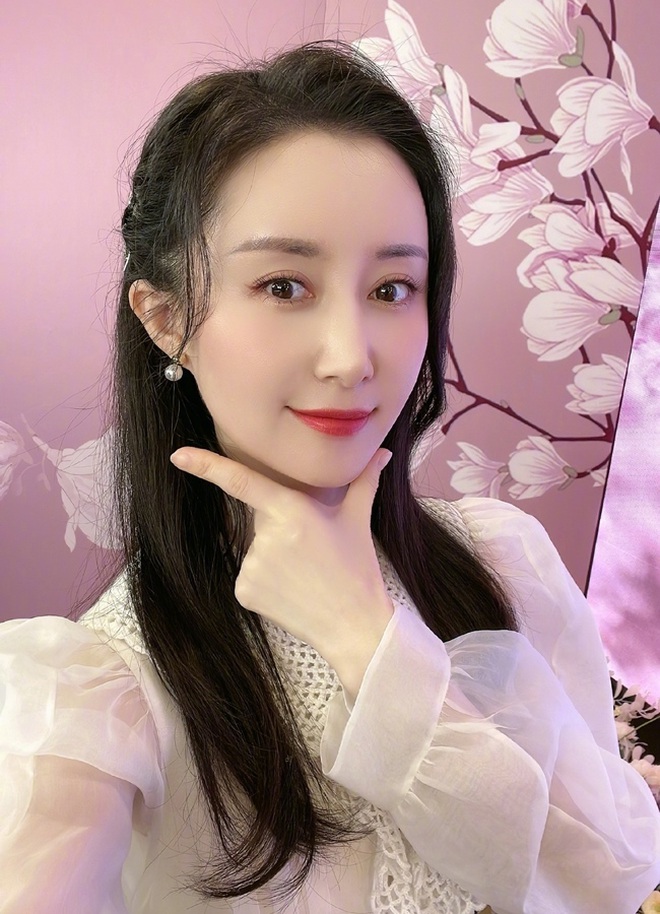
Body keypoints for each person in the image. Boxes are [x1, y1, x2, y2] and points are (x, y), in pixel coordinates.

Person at [0, 39, 658, 914]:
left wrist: (364, 634)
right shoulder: (97, 698)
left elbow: (612, 880)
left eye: (391, 289)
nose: (351, 358)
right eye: (284, 286)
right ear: (165, 319)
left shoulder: (502, 559)